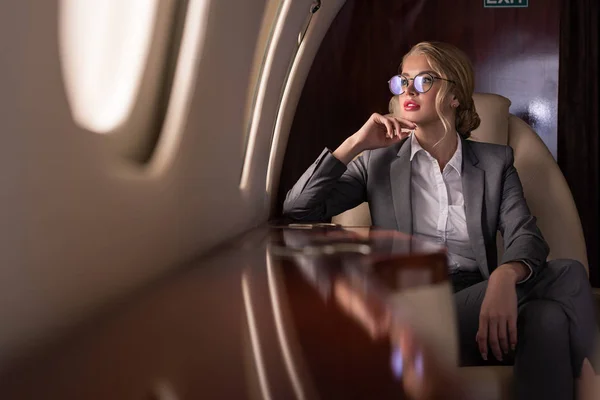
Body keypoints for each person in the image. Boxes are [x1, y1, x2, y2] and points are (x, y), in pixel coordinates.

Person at [282, 41, 598, 399]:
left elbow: (525, 235)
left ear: (455, 96)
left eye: (424, 81)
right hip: (416, 308)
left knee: (548, 321)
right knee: (569, 273)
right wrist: (354, 144)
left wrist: (503, 277)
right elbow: (299, 208)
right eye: (403, 82)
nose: (408, 92)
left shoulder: (495, 163)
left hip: (477, 304)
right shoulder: (379, 162)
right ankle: (591, 380)